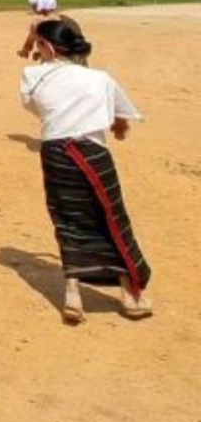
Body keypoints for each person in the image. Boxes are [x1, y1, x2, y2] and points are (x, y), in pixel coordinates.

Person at [20, 20, 152, 323]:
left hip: (55, 153)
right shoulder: (99, 79)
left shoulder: (32, 76)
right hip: (92, 152)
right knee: (111, 218)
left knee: (68, 220)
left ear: (47, 47)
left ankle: (73, 294)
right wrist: (119, 127)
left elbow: (35, 107)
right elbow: (121, 115)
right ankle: (131, 295)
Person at [17, 0, 82, 62]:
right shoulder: (70, 21)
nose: (33, 7)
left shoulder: (38, 23)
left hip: (54, 63)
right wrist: (40, 53)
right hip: (75, 62)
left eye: (35, 5)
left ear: (42, 4)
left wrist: (25, 51)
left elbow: (29, 42)